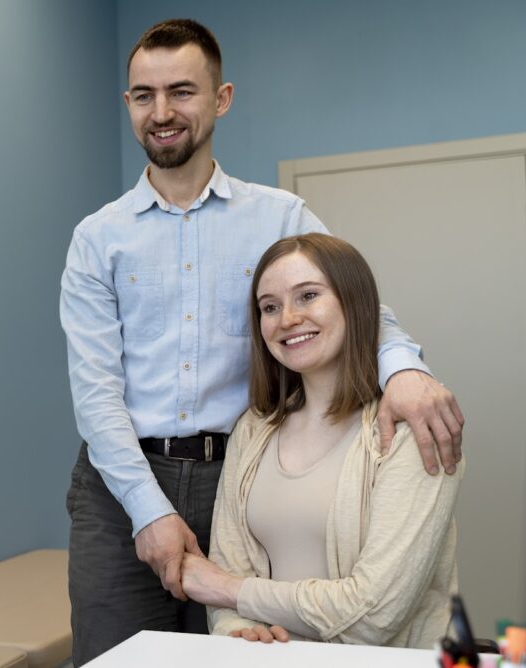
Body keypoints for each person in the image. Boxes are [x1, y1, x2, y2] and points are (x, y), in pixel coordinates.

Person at [59, 18, 464, 665]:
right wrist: (148, 510)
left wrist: (405, 372)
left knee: (239, 651)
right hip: (123, 481)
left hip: (235, 468)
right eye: (144, 94)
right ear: (129, 104)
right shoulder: (98, 239)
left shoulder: (281, 217)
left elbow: (357, 305)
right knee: (118, 657)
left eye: (182, 91)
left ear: (221, 98)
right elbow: (96, 391)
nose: (162, 112)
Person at [179, 233, 462, 648]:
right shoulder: (255, 427)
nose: (287, 319)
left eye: (308, 296)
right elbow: (228, 562)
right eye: (270, 307)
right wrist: (234, 627)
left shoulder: (415, 428)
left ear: (356, 303)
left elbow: (375, 614)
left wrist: (228, 591)